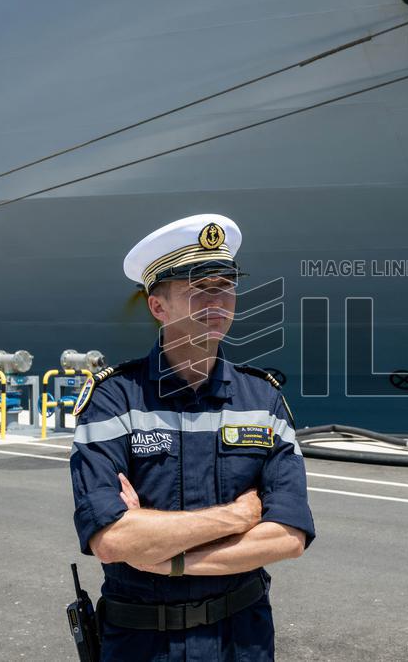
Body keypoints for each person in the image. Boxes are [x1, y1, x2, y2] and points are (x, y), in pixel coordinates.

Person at [69, 213, 315, 662]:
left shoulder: (263, 400)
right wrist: (241, 516)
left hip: (243, 641)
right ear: (157, 307)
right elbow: (112, 540)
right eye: (198, 289)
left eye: (226, 286)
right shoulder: (114, 401)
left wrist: (169, 559)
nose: (217, 301)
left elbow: (288, 536)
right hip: (143, 645)